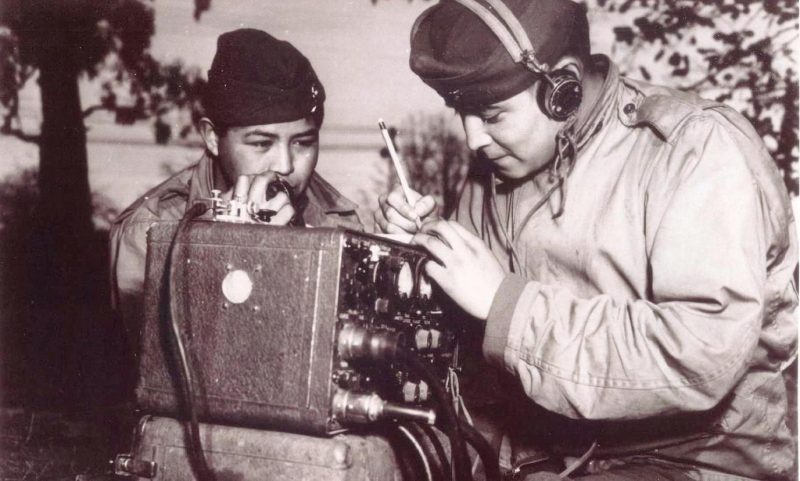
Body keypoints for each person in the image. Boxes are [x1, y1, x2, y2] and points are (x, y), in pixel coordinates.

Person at [375, 0, 798, 479]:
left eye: (491, 116)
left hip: (692, 456)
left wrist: (507, 307)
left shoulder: (694, 150)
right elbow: (463, 347)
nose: (474, 139)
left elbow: (701, 355)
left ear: (563, 89)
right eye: (461, 113)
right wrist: (414, 260)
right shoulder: (496, 170)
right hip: (541, 454)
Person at [110, 28, 361, 355]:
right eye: (261, 144)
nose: (285, 165)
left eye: (303, 143)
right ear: (213, 138)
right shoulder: (151, 231)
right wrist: (223, 252)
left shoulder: (337, 218)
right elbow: (160, 377)